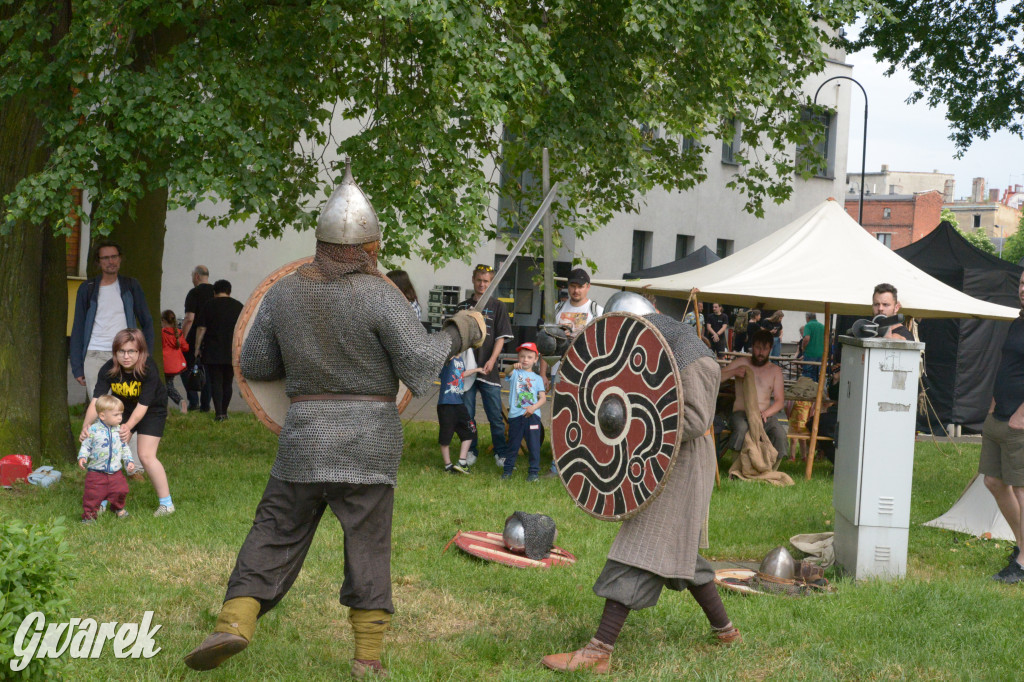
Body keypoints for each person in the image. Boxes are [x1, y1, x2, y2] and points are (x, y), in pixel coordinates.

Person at [183, 164, 485, 677]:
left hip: (304, 438)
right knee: (368, 545)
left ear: (321, 243)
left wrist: (307, 356)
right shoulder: (381, 294)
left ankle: (234, 622)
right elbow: (419, 364)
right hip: (368, 442)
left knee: (273, 530)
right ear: (369, 248)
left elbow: (256, 363)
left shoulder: (285, 293)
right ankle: (367, 659)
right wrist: (462, 331)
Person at [541, 293, 739, 675]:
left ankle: (599, 650)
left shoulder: (690, 353)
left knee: (640, 547)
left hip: (682, 462)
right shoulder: (645, 343)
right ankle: (726, 631)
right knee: (681, 552)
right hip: (654, 460)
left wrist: (635, 424)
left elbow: (694, 419)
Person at [80, 328, 175, 516]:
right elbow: (96, 401)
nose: (126, 356)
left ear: (140, 352)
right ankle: (104, 499)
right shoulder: (108, 369)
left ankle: (166, 504)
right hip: (123, 409)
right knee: (109, 450)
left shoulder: (148, 368)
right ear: (115, 352)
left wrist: (128, 427)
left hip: (151, 409)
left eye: (131, 351)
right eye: (121, 351)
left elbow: (143, 406)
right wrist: (86, 426)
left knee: (146, 455)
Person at [70, 241, 154, 402]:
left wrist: (145, 356)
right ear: (98, 262)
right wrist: (77, 367)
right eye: (105, 258)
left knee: (125, 405)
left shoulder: (131, 286)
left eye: (114, 256)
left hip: (125, 354)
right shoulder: (87, 288)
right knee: (101, 407)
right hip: (95, 355)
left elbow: (147, 322)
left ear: (120, 258)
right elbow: (78, 328)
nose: (111, 261)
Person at [981, 270, 1024, 584]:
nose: (1023, 289)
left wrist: (1022, 414)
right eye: (1022, 283)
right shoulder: (1018, 322)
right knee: (994, 482)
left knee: (1022, 489)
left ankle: (1023, 564)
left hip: (1019, 421)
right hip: (1000, 416)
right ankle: (1022, 545)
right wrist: (994, 406)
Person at [457, 264, 514, 468]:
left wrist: (492, 360)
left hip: (488, 368)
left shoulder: (498, 306)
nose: (482, 284)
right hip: (468, 369)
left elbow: (500, 337)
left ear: (491, 283)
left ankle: (501, 453)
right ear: (473, 280)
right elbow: (456, 338)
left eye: (486, 281)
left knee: (495, 415)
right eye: (479, 280)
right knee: (467, 414)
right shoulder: (463, 307)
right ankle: (470, 450)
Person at [720, 329, 788, 462]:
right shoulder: (741, 362)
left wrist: (766, 413)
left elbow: (780, 401)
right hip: (741, 413)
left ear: (770, 349)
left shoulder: (775, 371)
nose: (761, 353)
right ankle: (737, 465)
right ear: (752, 346)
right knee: (741, 428)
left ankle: (770, 467)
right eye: (758, 348)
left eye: (765, 349)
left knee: (779, 433)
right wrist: (733, 372)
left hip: (764, 415)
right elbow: (717, 376)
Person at [77, 395, 136, 522]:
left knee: (121, 490)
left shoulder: (119, 431)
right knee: (93, 495)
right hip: (96, 471)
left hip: (115, 471)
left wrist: (129, 460)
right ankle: (89, 515)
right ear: (102, 416)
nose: (120, 417)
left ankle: (117, 507)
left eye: (121, 414)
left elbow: (124, 447)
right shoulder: (92, 430)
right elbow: (86, 445)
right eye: (116, 415)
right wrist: (82, 457)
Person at [195, 280, 244, 422]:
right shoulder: (238, 306)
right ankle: (225, 412)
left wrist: (197, 348)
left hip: (213, 350)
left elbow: (201, 328)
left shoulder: (209, 305)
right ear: (229, 291)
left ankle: (219, 413)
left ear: (214, 291)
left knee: (216, 382)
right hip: (231, 350)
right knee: (228, 382)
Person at [501, 342, 547, 482]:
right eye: (522, 356)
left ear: (536, 359)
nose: (525, 359)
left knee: (534, 445)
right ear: (518, 358)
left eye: (529, 357)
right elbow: (506, 371)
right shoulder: (515, 373)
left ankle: (533, 473)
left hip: (533, 416)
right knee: (513, 445)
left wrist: (533, 408)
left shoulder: (538, 379)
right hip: (516, 416)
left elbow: (543, 398)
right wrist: (512, 366)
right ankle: (507, 471)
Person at [182, 265, 215, 412]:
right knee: (207, 371)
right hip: (212, 337)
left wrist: (182, 338)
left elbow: (189, 318)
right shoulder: (216, 292)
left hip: (194, 336)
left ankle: (193, 400)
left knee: (185, 367)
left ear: (196, 276)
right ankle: (205, 405)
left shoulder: (194, 293)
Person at [437, 353, 477, 474]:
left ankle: (462, 462)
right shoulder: (447, 357)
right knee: (445, 436)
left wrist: (477, 370)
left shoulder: (460, 359)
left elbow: (461, 374)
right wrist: (446, 358)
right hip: (446, 405)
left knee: (471, 430)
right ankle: (448, 465)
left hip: (459, 403)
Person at [160, 310, 189, 414]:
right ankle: (177, 403)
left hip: (165, 363)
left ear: (163, 320)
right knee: (168, 384)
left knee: (167, 386)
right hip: (175, 364)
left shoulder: (162, 333)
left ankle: (179, 401)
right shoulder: (179, 333)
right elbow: (185, 347)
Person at [801, 312, 825, 378]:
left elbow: (806, 338)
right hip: (820, 353)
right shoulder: (822, 326)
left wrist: (803, 348)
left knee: (807, 374)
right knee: (816, 374)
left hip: (810, 353)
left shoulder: (808, 325)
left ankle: (808, 385)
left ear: (807, 318)